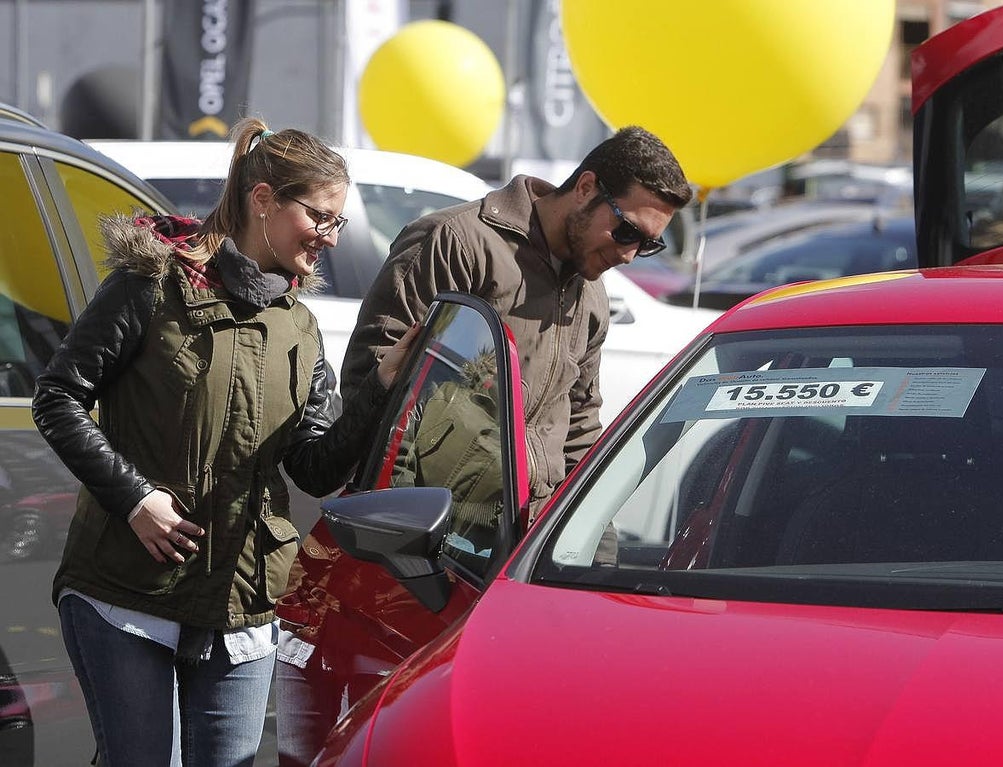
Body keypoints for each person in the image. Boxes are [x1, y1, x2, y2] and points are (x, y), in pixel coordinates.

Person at [274, 125, 692, 767]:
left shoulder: (592, 293)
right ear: (585, 188)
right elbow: (373, 382)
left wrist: (591, 566)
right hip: (424, 565)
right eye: (628, 230)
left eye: (652, 242)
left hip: (521, 576)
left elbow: (580, 436)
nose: (632, 254)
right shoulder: (456, 242)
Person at [31, 117, 416, 767]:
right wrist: (133, 498)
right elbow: (58, 396)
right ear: (262, 199)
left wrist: (380, 385)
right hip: (126, 590)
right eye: (319, 216)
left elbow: (314, 468)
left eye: (337, 222)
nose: (329, 237)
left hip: (240, 606)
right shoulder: (151, 284)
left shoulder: (299, 326)